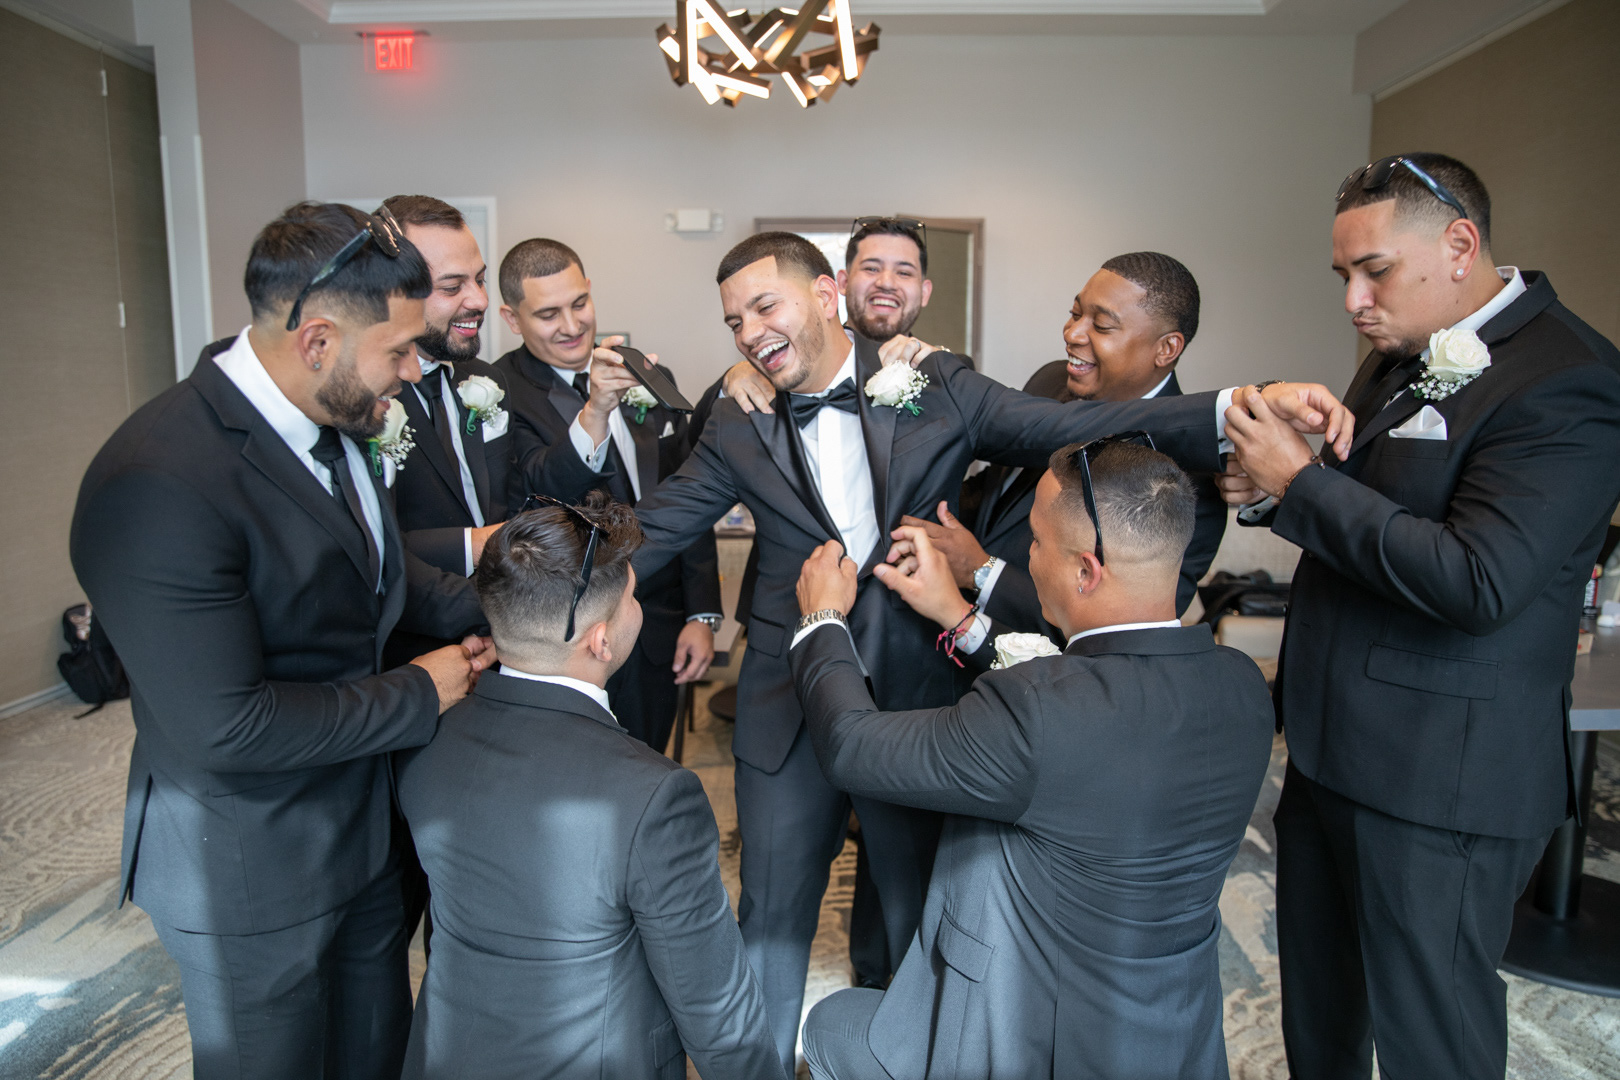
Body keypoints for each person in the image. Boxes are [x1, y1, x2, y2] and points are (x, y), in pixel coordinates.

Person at [591, 229, 1346, 1071]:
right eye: (734, 321)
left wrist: (1239, 409)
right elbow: (654, 530)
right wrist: (520, 583)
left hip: (918, 701)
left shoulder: (937, 382)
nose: (749, 333)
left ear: (827, 295)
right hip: (786, 699)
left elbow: (1078, 423)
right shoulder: (738, 415)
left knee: (921, 917)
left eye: (765, 307)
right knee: (769, 916)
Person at [69, 201, 495, 1080]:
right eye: (398, 351)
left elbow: (378, 572)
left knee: (373, 1056)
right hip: (248, 865)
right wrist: (422, 690)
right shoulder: (159, 481)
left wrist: (506, 612)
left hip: (359, 832)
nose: (412, 373)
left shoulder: (333, 419)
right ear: (318, 341)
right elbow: (226, 726)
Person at [1219, 152, 1620, 1079]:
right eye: (1343, 275)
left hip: (1444, 777)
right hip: (1332, 749)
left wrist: (1303, 485)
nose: (1354, 301)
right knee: (1321, 1015)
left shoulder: (1572, 381)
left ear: (1460, 246)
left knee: (1431, 1040)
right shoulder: (1403, 348)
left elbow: (1479, 581)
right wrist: (1274, 486)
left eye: (1375, 271)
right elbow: (1374, 507)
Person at [790, 440, 1275, 1079]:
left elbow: (851, 746)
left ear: (1086, 571)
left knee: (829, 1024)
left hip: (1033, 1043)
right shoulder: (1242, 685)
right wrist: (959, 616)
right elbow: (1091, 701)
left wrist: (823, 618)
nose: (1026, 555)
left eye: (1037, 542)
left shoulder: (1038, 712)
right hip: (1177, 1038)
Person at [395, 494, 784, 1080]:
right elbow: (718, 1014)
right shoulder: (655, 797)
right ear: (600, 641)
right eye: (633, 598)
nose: (637, 608)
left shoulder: (426, 741)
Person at [904, 252, 1228, 656]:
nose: (1073, 333)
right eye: (1075, 313)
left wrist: (981, 572)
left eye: (1102, 325)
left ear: (1166, 348)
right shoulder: (1053, 378)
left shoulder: (1189, 482)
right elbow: (1000, 486)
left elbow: (1122, 630)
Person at [493, 238, 720, 751]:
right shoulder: (502, 391)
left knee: (650, 761)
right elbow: (542, 486)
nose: (572, 326)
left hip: (658, 627)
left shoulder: (644, 373)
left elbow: (688, 491)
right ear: (512, 318)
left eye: (579, 304)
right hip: (568, 634)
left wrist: (701, 614)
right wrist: (595, 408)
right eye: (548, 314)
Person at [379, 194, 514, 667]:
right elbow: (367, 543)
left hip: (499, 646)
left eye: (479, 279)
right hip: (408, 654)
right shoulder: (366, 400)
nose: (479, 300)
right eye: (452, 286)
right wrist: (474, 546)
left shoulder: (486, 380)